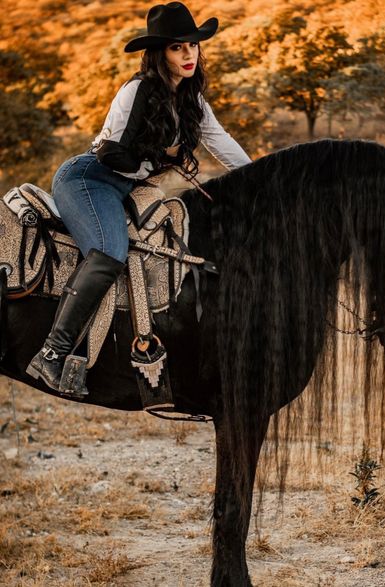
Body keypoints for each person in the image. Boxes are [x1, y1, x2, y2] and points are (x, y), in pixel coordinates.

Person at [26, 2, 252, 396]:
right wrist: (159, 160)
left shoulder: (192, 100)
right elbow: (111, 152)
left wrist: (262, 180)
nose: (188, 55)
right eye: (177, 48)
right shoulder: (137, 90)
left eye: (193, 47)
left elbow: (224, 145)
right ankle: (51, 352)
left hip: (131, 186)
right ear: (159, 53)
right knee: (110, 252)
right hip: (90, 179)